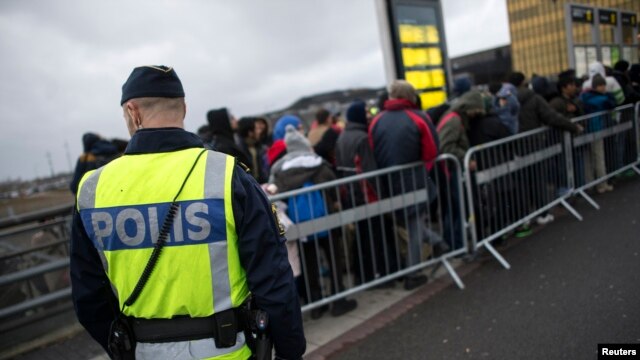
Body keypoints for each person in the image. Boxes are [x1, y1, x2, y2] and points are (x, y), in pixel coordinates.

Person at [70, 65, 305, 360]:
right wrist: (290, 350)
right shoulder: (228, 175)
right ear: (184, 108)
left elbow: (88, 297)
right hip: (231, 351)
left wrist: (124, 346)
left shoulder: (92, 189)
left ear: (133, 111)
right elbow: (273, 278)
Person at [269, 125, 358, 319]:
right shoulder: (319, 163)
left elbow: (276, 194)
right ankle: (338, 299)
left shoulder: (280, 169)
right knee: (333, 256)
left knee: (309, 262)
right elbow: (334, 189)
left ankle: (316, 303)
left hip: (300, 223)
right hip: (326, 217)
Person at [368, 80, 445, 290]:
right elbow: (431, 151)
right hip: (415, 180)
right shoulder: (418, 117)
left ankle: (438, 243)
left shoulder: (376, 121)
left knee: (411, 225)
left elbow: (373, 152)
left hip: (388, 184)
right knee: (414, 228)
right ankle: (413, 272)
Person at [335, 100, 398, 284]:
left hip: (351, 194)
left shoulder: (342, 136)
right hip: (366, 194)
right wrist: (382, 195)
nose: (369, 115)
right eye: (365, 112)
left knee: (362, 237)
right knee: (376, 236)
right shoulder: (362, 137)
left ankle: (363, 276)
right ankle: (382, 274)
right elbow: (370, 170)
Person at [580, 74, 617, 193]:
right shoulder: (602, 98)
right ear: (599, 86)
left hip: (585, 130)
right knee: (599, 156)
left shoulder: (584, 96)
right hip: (597, 128)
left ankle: (590, 184)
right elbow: (612, 104)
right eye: (603, 86)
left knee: (588, 158)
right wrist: (608, 95)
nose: (605, 88)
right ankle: (602, 184)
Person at [236, 117, 268, 183]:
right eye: (256, 129)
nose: (259, 131)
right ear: (250, 132)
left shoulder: (259, 147)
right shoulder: (239, 151)